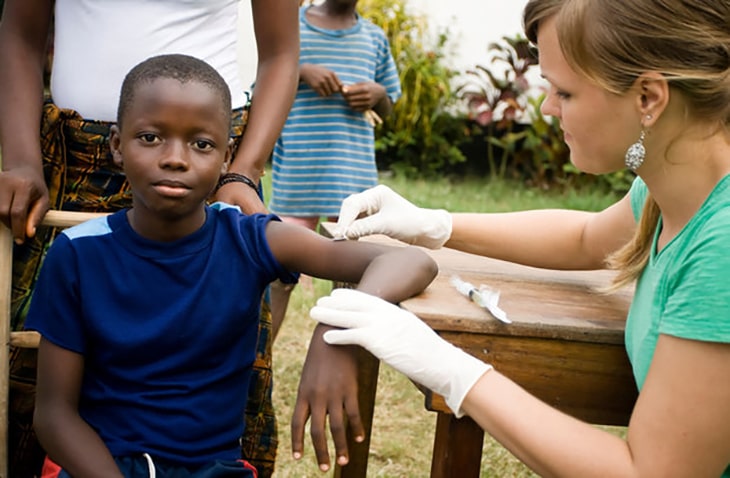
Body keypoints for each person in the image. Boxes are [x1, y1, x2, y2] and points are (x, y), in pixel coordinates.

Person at [308, 0, 730, 475]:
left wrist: (455, 372)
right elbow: (588, 239)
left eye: (564, 92)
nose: (548, 108)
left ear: (649, 98)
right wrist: (436, 224)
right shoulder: (677, 183)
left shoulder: (722, 247)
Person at [26, 53, 437, 478]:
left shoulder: (249, 239)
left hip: (213, 468)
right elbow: (54, 415)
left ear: (227, 157)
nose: (175, 158)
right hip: (101, 466)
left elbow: (409, 260)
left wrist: (336, 332)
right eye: (150, 138)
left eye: (201, 144)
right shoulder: (76, 254)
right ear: (116, 145)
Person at [0, 1, 301, 476]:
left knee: (217, 352)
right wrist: (20, 160)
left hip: (213, 173)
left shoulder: (222, 188)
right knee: (28, 371)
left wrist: (241, 171)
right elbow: (20, 30)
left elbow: (282, 52)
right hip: (70, 163)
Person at [268, 0, 401, 339]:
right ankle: (259, 359)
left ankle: (341, 365)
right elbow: (264, 83)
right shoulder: (291, 26)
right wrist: (299, 69)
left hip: (351, 184)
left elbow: (389, 106)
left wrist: (378, 94)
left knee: (352, 285)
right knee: (277, 278)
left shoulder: (373, 38)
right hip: (297, 177)